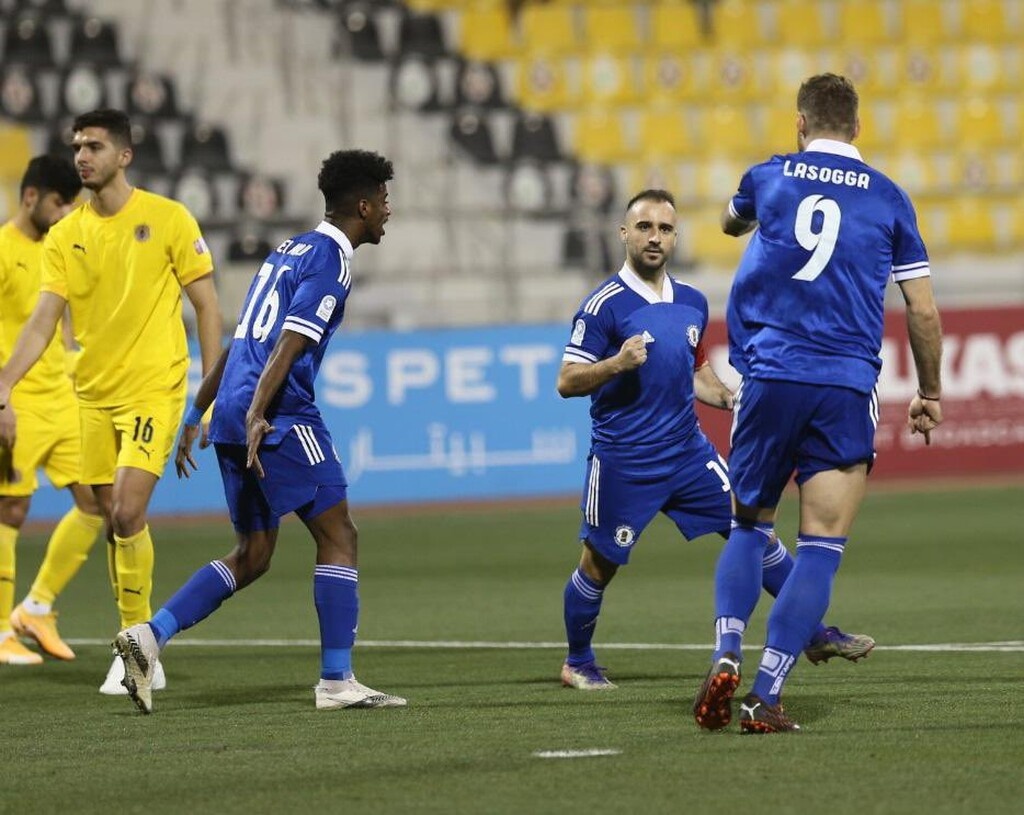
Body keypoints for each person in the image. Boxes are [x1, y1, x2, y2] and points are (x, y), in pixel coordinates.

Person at [112, 149, 406, 715]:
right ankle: (337, 682)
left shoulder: (285, 251)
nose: (388, 213)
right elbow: (288, 340)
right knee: (340, 535)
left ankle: (150, 636)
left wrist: (200, 412)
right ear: (364, 206)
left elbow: (244, 335)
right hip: (277, 415)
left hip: (232, 412)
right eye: (385, 203)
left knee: (254, 552)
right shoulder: (332, 263)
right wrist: (257, 413)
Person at [693, 74, 943, 733]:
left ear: (800, 125)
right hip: (842, 383)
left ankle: (725, 651)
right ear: (857, 129)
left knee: (749, 525)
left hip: (770, 374)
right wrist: (931, 391)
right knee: (822, 544)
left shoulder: (769, 176)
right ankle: (767, 694)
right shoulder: (890, 198)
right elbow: (920, 309)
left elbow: (728, 220)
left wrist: (754, 210)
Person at [557, 189, 872, 691]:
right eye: (644, 227)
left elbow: (697, 372)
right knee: (599, 563)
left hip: (688, 454)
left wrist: (728, 397)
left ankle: (811, 632)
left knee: (755, 532)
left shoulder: (691, 302)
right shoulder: (603, 307)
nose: (654, 237)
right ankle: (578, 660)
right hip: (625, 461)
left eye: (664, 228)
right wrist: (617, 363)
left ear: (675, 236)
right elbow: (567, 380)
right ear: (623, 234)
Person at [0, 110, 223, 692]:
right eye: (77, 146)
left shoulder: (167, 217)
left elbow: (207, 304)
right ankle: (135, 643)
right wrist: (3, 383)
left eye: (94, 146)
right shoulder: (65, 235)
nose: (82, 156)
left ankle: (139, 646)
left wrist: (211, 388)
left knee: (126, 509)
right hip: (91, 396)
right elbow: (42, 321)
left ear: (123, 155)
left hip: (153, 386)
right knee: (110, 518)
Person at [0, 155, 106, 666]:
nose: (66, 212)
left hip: (64, 398)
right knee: (10, 510)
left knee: (96, 503)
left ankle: (36, 607)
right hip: (17, 401)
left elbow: (62, 319)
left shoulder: (60, 248)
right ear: (30, 197)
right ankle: (1, 631)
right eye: (60, 202)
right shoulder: (2, 249)